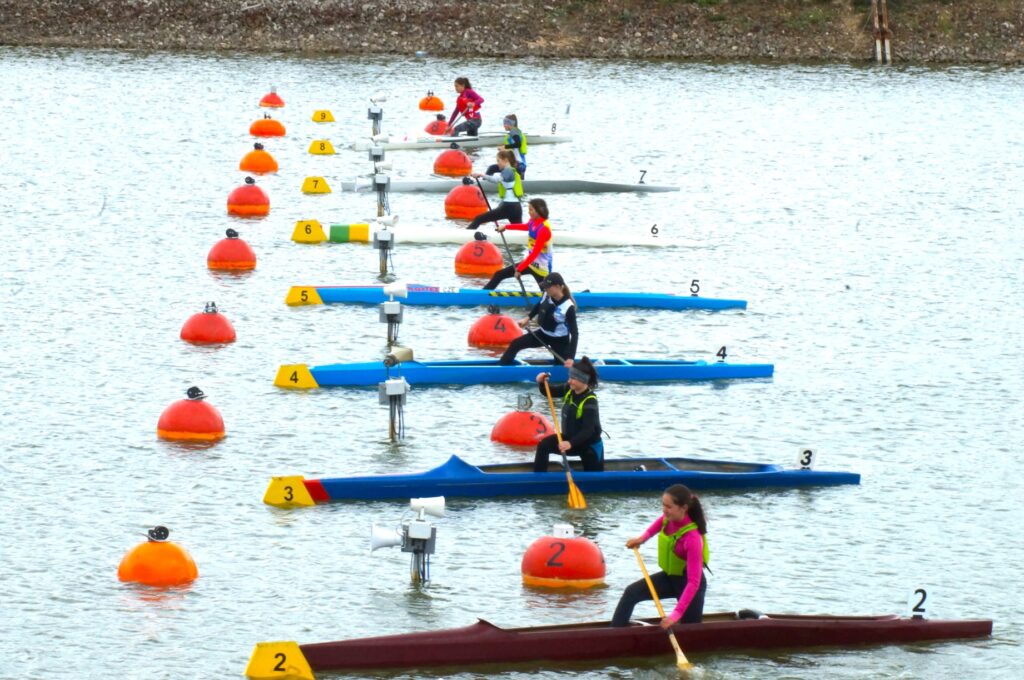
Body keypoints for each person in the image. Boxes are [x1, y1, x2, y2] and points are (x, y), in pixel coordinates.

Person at [610, 485, 709, 628]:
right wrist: (642, 539)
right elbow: (658, 524)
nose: (664, 510)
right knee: (631, 593)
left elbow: (693, 582)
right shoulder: (669, 518)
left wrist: (674, 616)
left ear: (684, 508)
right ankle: (615, 632)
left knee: (689, 631)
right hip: (670, 578)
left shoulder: (693, 538)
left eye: (669, 506)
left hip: (690, 586)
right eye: (663, 505)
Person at [533, 358, 603, 472]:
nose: (569, 381)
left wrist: (570, 443)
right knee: (543, 445)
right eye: (570, 377)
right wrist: (541, 382)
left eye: (573, 379)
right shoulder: (569, 389)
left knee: (595, 477)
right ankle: (539, 477)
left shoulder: (590, 401)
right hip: (569, 439)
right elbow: (548, 391)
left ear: (583, 380)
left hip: (589, 446)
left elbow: (588, 430)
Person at [498, 272, 577, 365]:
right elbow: (539, 305)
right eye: (545, 287)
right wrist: (527, 318)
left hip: (559, 340)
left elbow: (574, 333)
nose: (545, 289)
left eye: (548, 287)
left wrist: (571, 358)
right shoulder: (547, 294)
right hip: (543, 334)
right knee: (515, 344)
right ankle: (502, 367)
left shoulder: (568, 307)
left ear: (558, 286)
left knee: (561, 365)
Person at [483, 198, 552, 290]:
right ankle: (483, 294)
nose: (529, 212)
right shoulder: (533, 221)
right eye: (528, 209)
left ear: (539, 211)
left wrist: (519, 269)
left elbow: (535, 254)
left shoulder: (544, 229)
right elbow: (526, 226)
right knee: (499, 274)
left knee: (547, 294)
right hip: (531, 264)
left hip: (542, 269)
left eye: (531, 210)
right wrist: (506, 227)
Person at [467, 150, 523, 230]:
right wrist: (500, 206)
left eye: (498, 161)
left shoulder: (508, 170)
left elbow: (497, 180)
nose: (497, 163)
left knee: (479, 219)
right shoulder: (512, 170)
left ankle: (465, 235)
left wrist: (481, 175)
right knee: (519, 231)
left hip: (508, 207)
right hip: (516, 207)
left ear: (505, 160)